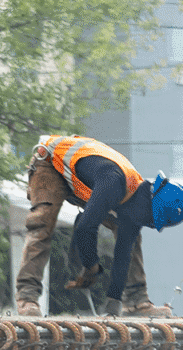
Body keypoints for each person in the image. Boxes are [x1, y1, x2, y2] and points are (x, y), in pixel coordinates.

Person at [15, 134, 183, 317]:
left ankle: (136, 303)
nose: (147, 224)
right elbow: (85, 228)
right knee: (42, 222)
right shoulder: (114, 183)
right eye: (150, 221)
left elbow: (123, 254)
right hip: (50, 163)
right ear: (149, 207)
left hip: (82, 179)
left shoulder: (137, 201)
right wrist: (91, 267)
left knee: (131, 236)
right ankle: (27, 297)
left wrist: (113, 302)